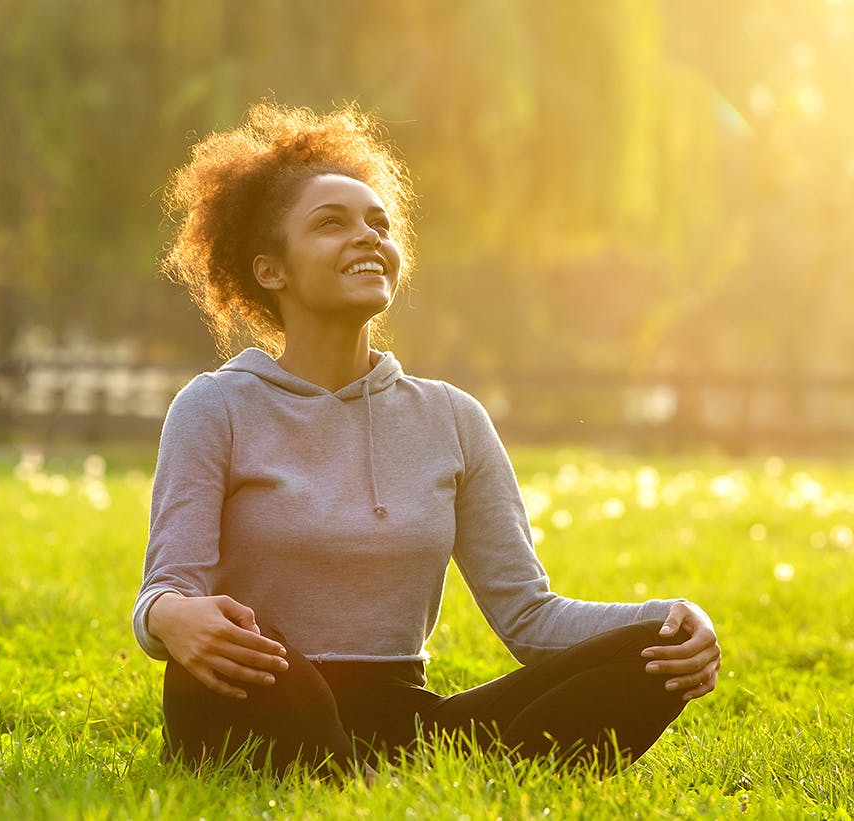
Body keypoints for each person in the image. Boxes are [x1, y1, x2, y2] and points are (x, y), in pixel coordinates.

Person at [133, 102, 721, 778]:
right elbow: (167, 591)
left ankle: (360, 773)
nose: (366, 236)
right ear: (272, 270)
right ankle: (355, 772)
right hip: (258, 690)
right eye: (332, 224)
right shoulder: (215, 407)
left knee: (654, 651)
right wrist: (169, 619)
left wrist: (678, 617)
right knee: (266, 660)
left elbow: (529, 615)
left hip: (403, 718)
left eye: (378, 223)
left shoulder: (452, 417)